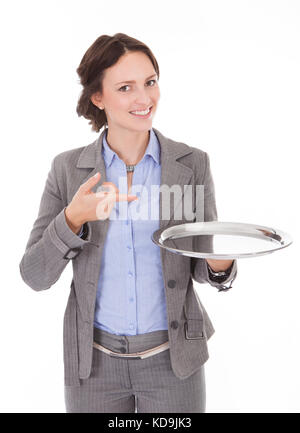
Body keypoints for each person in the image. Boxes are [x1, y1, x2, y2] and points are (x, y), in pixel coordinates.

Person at [19, 33, 237, 413]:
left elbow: (203, 266)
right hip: (95, 366)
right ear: (97, 97)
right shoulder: (68, 169)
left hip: (174, 362)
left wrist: (221, 266)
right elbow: (35, 275)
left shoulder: (191, 164)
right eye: (126, 87)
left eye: (150, 82)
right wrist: (74, 218)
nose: (144, 99)